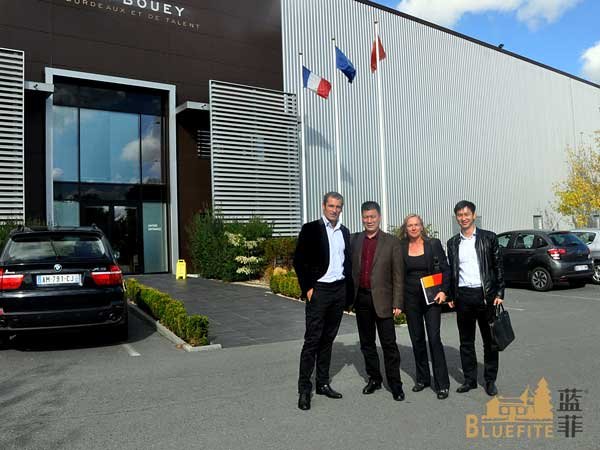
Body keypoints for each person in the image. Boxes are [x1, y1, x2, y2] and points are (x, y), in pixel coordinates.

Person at [293, 192, 354, 411]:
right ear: (323, 206)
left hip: (338, 290)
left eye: (338, 206)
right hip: (319, 290)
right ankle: (304, 389)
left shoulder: (344, 231)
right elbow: (299, 261)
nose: (334, 210)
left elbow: (347, 263)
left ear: (341, 209)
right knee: (312, 340)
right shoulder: (311, 229)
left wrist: (347, 293)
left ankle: (322, 383)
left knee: (328, 339)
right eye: (331, 206)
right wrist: (308, 288)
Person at [447, 200, 505, 396]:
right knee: (466, 342)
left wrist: (499, 293)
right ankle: (470, 380)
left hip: (485, 296)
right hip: (463, 297)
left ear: (473, 215)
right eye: (460, 215)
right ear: (456, 217)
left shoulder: (489, 238)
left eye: (466, 214)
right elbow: (452, 272)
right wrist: (451, 294)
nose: (463, 218)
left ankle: (490, 380)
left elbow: (498, 267)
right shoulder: (453, 243)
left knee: (490, 342)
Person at [350, 201, 405, 401]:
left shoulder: (391, 242)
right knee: (367, 343)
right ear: (362, 218)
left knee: (389, 344)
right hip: (362, 298)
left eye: (373, 216)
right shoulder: (355, 240)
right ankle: (374, 378)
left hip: (384, 300)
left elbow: (398, 275)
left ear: (379, 217)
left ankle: (395, 384)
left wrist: (398, 302)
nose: (369, 220)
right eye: (366, 217)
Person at [399, 214, 451, 400]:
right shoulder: (401, 247)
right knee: (417, 338)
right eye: (410, 225)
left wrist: (444, 291)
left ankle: (442, 384)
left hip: (431, 297)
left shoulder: (433, 244)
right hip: (410, 298)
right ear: (406, 229)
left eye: (416, 225)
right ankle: (422, 379)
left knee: (434, 338)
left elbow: (446, 269)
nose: (413, 228)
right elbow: (398, 274)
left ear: (421, 226)